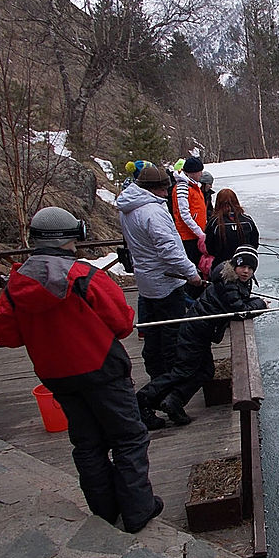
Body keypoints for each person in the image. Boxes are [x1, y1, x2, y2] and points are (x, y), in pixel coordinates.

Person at [0, 206, 163, 533]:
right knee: (129, 437)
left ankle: (105, 510)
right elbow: (123, 323)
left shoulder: (16, 285)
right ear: (73, 237)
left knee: (87, 444)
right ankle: (139, 509)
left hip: (57, 376)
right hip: (103, 370)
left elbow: (6, 334)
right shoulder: (85, 277)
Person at [137, 246, 267, 426]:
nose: (246, 271)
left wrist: (254, 302)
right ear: (234, 265)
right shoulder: (228, 282)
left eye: (251, 268)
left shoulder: (231, 280)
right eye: (243, 266)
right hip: (194, 332)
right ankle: (142, 401)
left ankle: (173, 401)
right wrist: (260, 304)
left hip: (200, 332)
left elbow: (239, 303)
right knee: (182, 371)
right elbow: (239, 310)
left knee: (205, 371)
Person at [117, 164, 202, 399]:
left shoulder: (128, 208)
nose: (167, 193)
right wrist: (191, 273)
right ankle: (168, 385)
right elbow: (169, 250)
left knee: (153, 332)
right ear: (153, 189)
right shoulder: (152, 213)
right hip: (165, 282)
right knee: (171, 334)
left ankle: (157, 375)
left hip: (146, 281)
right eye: (164, 189)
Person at [204, 188, 260, 267]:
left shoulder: (214, 222)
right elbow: (254, 243)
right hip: (244, 265)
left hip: (221, 264)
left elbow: (209, 247)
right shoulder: (247, 220)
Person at [171, 156, 208, 266]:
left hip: (196, 235)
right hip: (188, 237)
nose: (201, 174)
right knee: (192, 265)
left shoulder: (194, 186)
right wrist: (200, 233)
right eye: (199, 171)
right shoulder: (183, 187)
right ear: (192, 172)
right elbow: (184, 214)